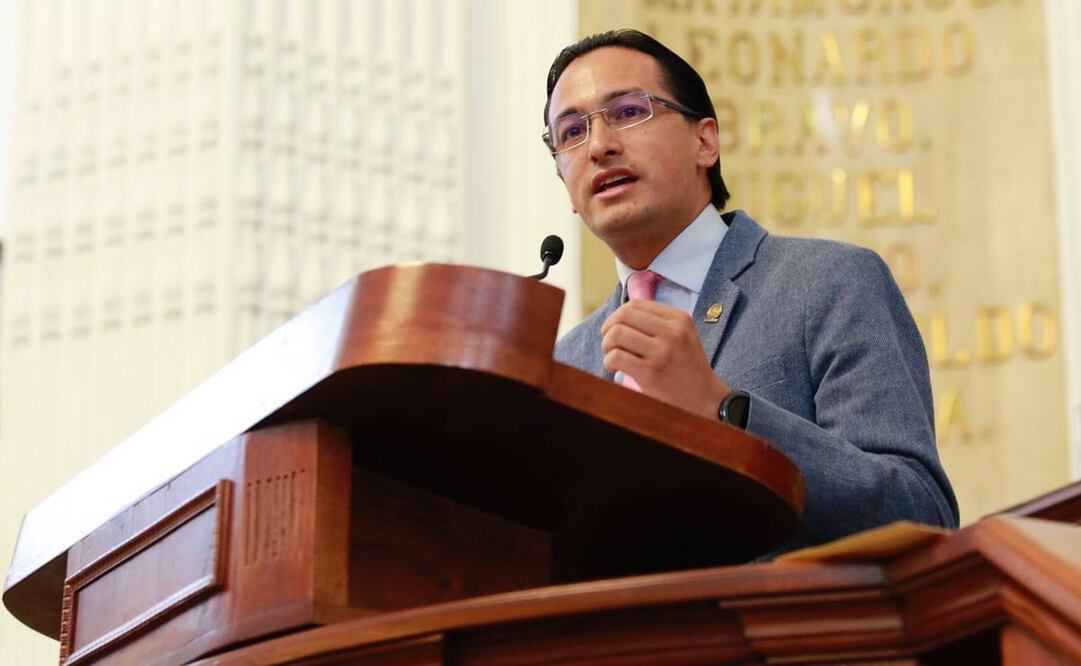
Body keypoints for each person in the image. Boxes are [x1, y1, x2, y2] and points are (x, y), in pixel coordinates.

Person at [544, 29, 959, 555]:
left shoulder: (829, 283)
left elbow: (920, 513)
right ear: (566, 188)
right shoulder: (566, 365)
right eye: (573, 131)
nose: (599, 145)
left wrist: (722, 410)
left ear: (705, 142)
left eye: (628, 112)